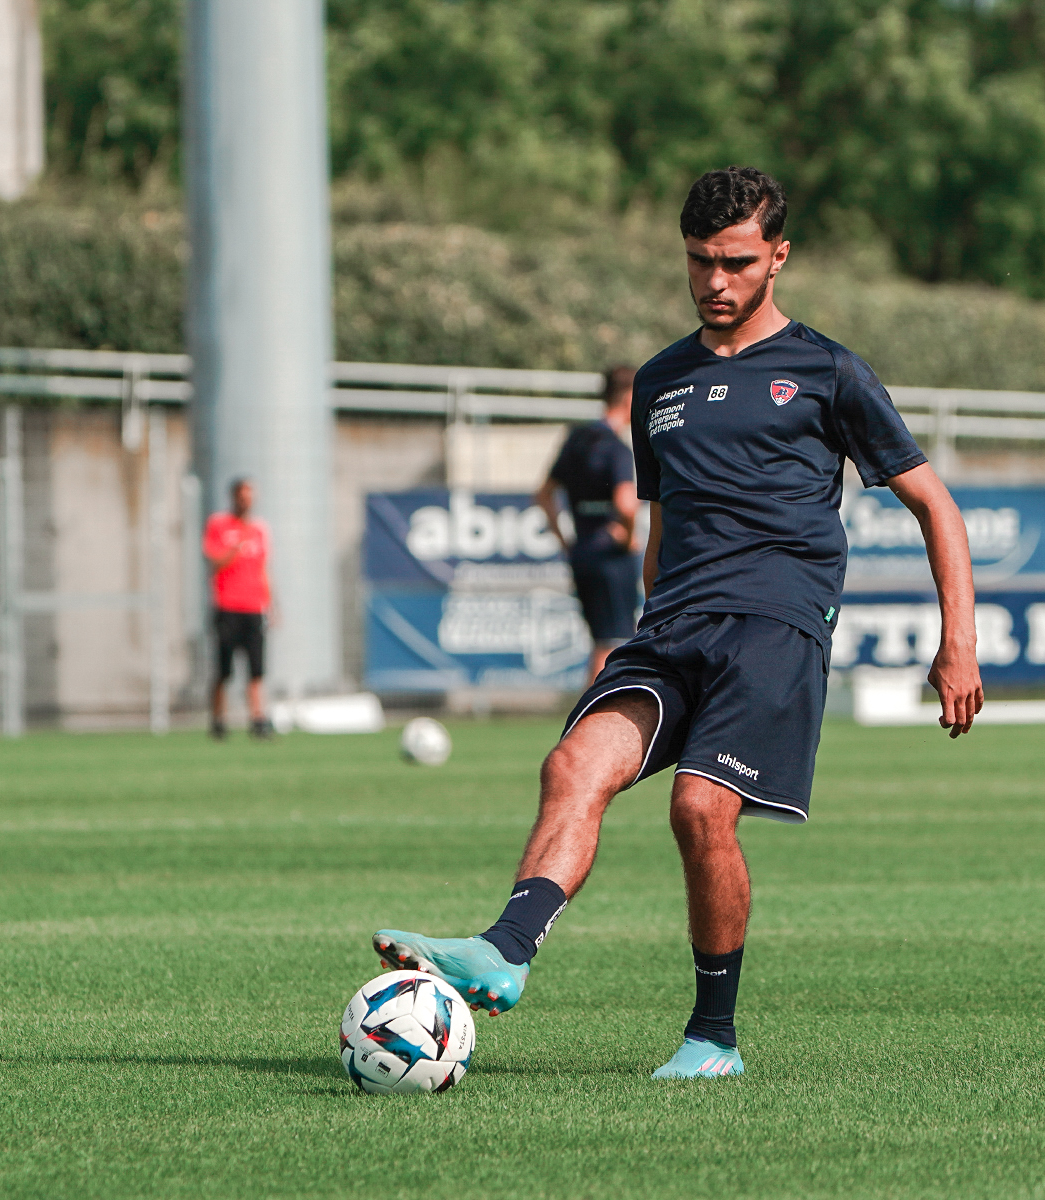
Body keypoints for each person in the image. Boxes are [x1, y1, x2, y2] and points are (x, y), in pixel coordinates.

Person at [371, 167, 982, 1078]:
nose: (715, 282)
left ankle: (714, 1036)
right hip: (672, 627)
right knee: (573, 762)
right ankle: (504, 949)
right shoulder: (660, 381)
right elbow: (659, 527)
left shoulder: (828, 371)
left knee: (700, 809)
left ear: (779, 256)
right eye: (700, 262)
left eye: (735, 262)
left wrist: (957, 645)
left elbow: (935, 504)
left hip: (775, 625)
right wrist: (639, 624)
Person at [536, 367, 640, 685]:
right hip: (610, 556)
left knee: (599, 643)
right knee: (612, 646)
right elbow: (626, 503)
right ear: (627, 398)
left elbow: (543, 495)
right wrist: (629, 537)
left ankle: (587, 720)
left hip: (583, 552)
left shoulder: (577, 440)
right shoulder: (617, 449)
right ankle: (593, 724)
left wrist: (565, 540)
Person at [203, 477, 272, 740]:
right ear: (234, 497)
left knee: (257, 668)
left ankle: (258, 719)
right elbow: (214, 561)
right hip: (227, 606)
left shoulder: (259, 529)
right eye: (242, 496)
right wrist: (235, 548)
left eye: (250, 496)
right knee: (224, 669)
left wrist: (270, 602)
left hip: (254, 608)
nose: (246, 501)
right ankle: (219, 720)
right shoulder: (219, 525)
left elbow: (264, 568)